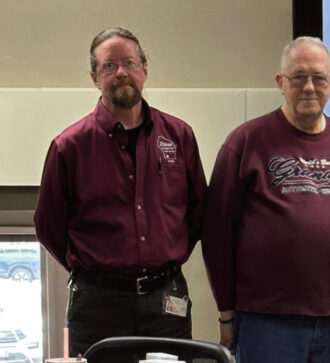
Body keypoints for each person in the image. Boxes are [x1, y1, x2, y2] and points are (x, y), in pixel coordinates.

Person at [201, 36, 330, 363]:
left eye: (319, 78)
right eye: (298, 77)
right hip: (267, 320)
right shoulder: (246, 142)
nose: (309, 87)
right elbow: (216, 234)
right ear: (281, 82)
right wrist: (226, 312)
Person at [34, 27, 206, 355]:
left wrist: (168, 257)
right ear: (95, 77)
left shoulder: (179, 136)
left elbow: (198, 212)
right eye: (109, 66)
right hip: (99, 304)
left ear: (145, 69)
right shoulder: (69, 147)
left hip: (166, 300)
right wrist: (93, 270)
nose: (121, 72)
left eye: (129, 62)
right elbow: (48, 227)